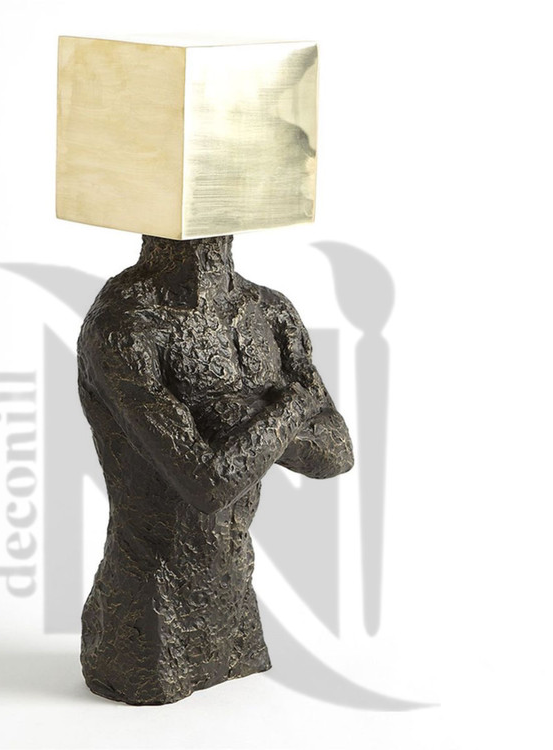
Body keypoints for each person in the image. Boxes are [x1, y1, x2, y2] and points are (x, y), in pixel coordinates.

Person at [77, 234, 353, 704]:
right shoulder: (126, 324)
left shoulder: (270, 312)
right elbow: (207, 484)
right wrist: (288, 408)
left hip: (236, 609)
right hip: (150, 615)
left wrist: (241, 427)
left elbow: (338, 451)